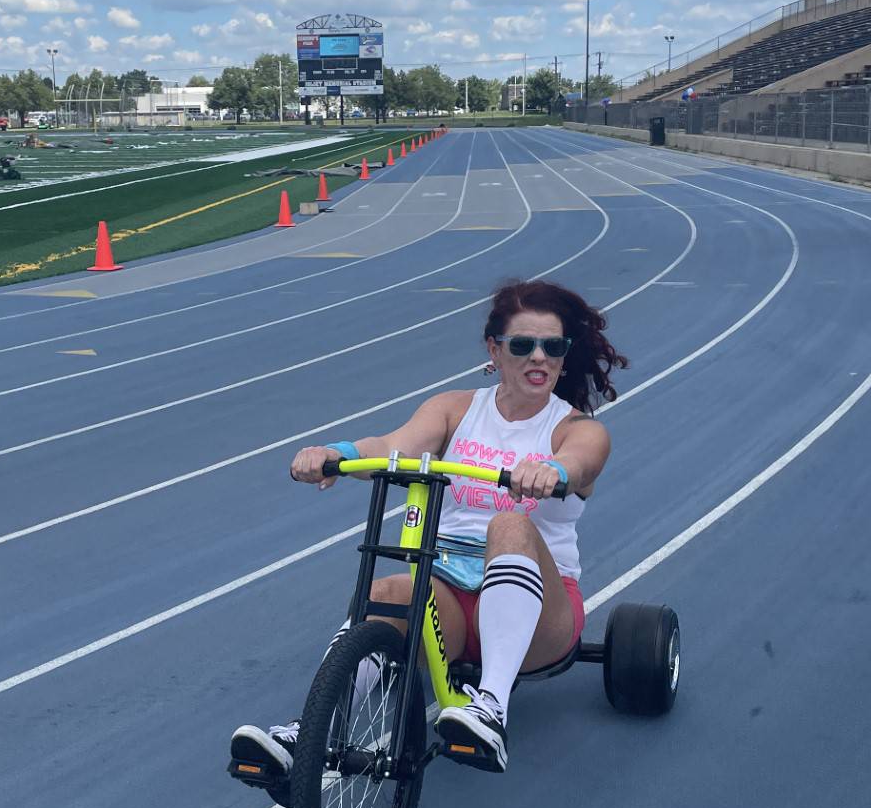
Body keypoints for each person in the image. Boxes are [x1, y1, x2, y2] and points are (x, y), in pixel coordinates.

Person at [229, 279, 624, 779]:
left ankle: (491, 709)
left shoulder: (576, 428)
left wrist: (555, 472)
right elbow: (393, 445)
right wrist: (338, 455)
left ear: (566, 356)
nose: (538, 358)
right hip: (451, 596)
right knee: (388, 590)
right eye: (523, 345)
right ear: (494, 350)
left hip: (542, 610)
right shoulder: (455, 410)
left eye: (553, 346)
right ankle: (311, 730)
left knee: (511, 522)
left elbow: (581, 462)